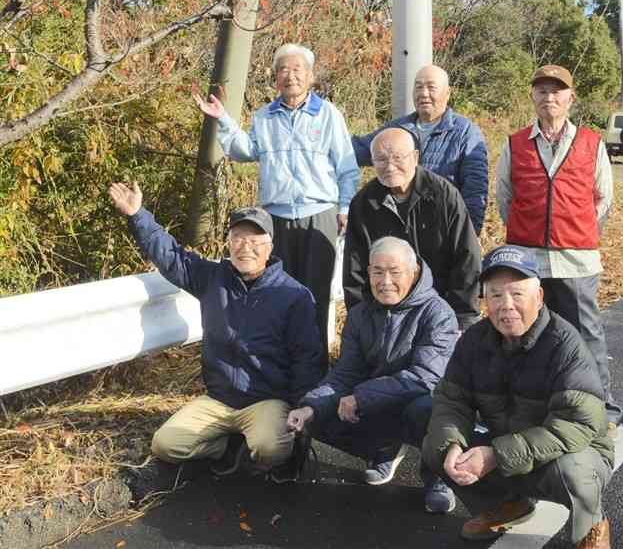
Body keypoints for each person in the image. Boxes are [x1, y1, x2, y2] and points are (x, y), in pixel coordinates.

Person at [108, 182, 324, 478]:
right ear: (228, 242)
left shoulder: (294, 296)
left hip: (267, 401)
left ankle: (284, 452)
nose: (244, 247)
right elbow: (172, 256)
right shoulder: (213, 278)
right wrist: (137, 214)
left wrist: (305, 408)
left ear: (270, 246)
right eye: (237, 239)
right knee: (166, 445)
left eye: (254, 241)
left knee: (269, 447)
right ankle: (228, 448)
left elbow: (307, 358)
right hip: (219, 399)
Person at [422, 245, 615, 549]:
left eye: (517, 294)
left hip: (566, 450)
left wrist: (495, 455)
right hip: (509, 448)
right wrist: (453, 444)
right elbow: (451, 400)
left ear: (539, 298)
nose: (506, 305)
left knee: (576, 473)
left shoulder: (566, 346)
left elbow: (575, 425)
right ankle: (505, 505)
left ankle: (590, 528)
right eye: (496, 295)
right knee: (437, 444)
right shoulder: (474, 340)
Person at [194, 43, 359, 369]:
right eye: (283, 69)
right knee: (277, 294)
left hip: (319, 215)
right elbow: (245, 150)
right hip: (275, 219)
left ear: (310, 76)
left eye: (298, 69)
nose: (290, 76)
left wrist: (345, 207)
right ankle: (280, 368)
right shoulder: (265, 116)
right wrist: (224, 120)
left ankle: (315, 372)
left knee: (316, 297)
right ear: (275, 77)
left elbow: (347, 166)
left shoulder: (328, 115)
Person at [286, 237, 460, 512]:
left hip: (422, 400)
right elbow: (344, 374)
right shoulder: (359, 315)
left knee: (425, 408)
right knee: (319, 415)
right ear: (368, 273)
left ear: (413, 272)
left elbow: (425, 377)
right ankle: (383, 448)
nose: (385, 281)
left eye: (394, 272)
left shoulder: (438, 314)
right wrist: (309, 407)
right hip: (377, 400)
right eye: (377, 272)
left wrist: (361, 397)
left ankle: (438, 476)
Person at [495, 64, 621, 429]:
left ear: (570, 97)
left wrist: (574, 230)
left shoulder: (592, 143)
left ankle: (602, 410)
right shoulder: (514, 143)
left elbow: (604, 199)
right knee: (525, 335)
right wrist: (528, 233)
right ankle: (532, 408)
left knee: (586, 335)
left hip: (576, 261)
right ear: (533, 96)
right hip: (527, 262)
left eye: (557, 90)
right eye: (542, 90)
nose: (549, 96)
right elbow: (505, 197)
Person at [344, 127, 481, 331]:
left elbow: (467, 259)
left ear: (415, 157)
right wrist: (362, 322)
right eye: (381, 159)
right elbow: (355, 270)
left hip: (440, 306)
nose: (390, 167)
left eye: (398, 157)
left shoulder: (443, 196)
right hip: (385, 313)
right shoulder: (364, 203)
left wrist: (461, 319)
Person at [351, 65, 489, 234]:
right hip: (398, 230)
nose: (423, 93)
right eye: (418, 87)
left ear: (447, 93)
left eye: (431, 87)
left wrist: (468, 236)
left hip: (442, 231)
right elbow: (357, 151)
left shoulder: (466, 133)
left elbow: (475, 192)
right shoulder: (397, 128)